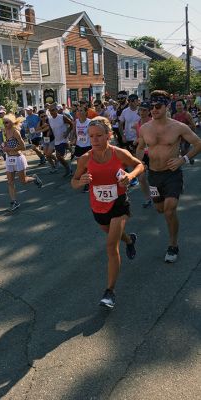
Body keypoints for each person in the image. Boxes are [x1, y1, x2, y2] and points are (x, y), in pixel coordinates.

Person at [71, 117, 144, 309]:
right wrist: (81, 181)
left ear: (109, 135)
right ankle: (130, 240)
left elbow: (140, 165)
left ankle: (109, 292)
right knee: (113, 234)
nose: (94, 140)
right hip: (98, 207)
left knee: (111, 246)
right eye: (91, 136)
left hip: (118, 204)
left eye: (99, 136)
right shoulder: (85, 158)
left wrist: (130, 175)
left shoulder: (119, 153)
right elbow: (74, 182)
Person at [136, 90, 201, 263]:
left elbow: (198, 143)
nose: (154, 110)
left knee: (169, 209)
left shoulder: (178, 127)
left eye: (158, 106)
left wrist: (183, 159)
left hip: (172, 173)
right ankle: (170, 196)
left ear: (166, 107)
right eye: (152, 106)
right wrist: (139, 161)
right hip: (154, 175)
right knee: (160, 209)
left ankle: (173, 245)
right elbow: (141, 147)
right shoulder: (144, 128)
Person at [3, 113, 43, 211]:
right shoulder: (5, 131)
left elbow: (23, 147)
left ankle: (34, 178)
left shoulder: (15, 132)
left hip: (18, 158)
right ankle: (14, 202)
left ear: (12, 123)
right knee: (10, 182)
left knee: (23, 181)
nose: (5, 124)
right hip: (9, 159)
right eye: (4, 123)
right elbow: (6, 143)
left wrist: (11, 149)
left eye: (7, 122)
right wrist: (5, 147)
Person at [133, 101, 152, 208]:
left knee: (154, 178)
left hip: (153, 153)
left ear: (149, 111)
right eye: (140, 110)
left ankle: (158, 195)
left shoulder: (152, 122)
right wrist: (137, 140)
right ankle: (148, 198)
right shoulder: (138, 123)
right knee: (141, 177)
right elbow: (139, 137)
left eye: (145, 110)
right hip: (142, 154)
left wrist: (140, 140)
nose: (142, 112)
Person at [48, 103, 74, 177]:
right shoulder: (50, 120)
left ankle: (68, 169)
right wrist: (49, 134)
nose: (51, 112)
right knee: (59, 157)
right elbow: (50, 129)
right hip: (56, 140)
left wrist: (67, 132)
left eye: (53, 110)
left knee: (58, 156)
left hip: (63, 139)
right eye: (50, 111)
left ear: (56, 110)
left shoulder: (62, 117)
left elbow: (71, 124)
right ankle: (68, 167)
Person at [71, 107, 91, 192]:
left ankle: (87, 184)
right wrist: (73, 139)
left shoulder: (90, 122)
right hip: (79, 146)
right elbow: (74, 132)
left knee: (88, 166)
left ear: (86, 112)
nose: (79, 112)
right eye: (78, 110)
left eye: (81, 110)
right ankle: (84, 181)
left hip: (88, 146)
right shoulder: (76, 121)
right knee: (80, 166)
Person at [172, 99, 196, 164]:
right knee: (182, 151)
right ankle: (188, 157)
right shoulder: (174, 116)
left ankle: (189, 158)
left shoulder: (187, 114)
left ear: (183, 106)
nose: (178, 107)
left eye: (180, 105)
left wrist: (192, 134)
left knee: (184, 148)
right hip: (178, 137)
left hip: (186, 136)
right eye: (177, 105)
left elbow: (193, 125)